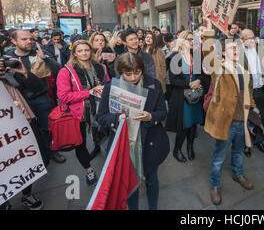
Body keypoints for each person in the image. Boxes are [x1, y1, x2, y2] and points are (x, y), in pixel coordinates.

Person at [96, 53, 169, 210]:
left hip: (150, 142)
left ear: (142, 69)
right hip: (124, 145)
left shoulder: (154, 84)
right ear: (120, 72)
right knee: (128, 183)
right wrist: (117, 118)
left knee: (152, 180)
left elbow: (163, 112)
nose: (133, 77)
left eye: (137, 72)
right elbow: (101, 117)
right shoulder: (111, 87)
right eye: (127, 74)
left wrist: (151, 116)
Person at [202, 29, 258, 206]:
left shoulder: (243, 69)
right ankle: (215, 185)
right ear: (224, 53)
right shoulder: (219, 68)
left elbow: (247, 92)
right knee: (219, 157)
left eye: (238, 48)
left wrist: (253, 107)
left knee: (238, 152)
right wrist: (209, 33)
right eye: (232, 48)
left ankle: (238, 175)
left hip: (242, 122)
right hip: (226, 122)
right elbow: (208, 53)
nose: (236, 51)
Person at [8, 30, 66, 164]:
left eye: (30, 39)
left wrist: (45, 58)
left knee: (47, 127)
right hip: (19, 99)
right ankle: (33, 156)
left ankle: (52, 152)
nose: (29, 41)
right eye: (24, 39)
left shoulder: (39, 52)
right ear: (14, 41)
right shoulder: (8, 57)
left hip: (41, 97)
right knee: (25, 130)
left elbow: (58, 69)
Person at [56, 40, 108, 185]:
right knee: (81, 143)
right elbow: (63, 97)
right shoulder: (65, 71)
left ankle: (109, 162)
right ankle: (89, 170)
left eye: (87, 50)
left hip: (101, 110)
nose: (84, 53)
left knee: (106, 136)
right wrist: (89, 93)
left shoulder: (100, 67)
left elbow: (108, 84)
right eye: (80, 51)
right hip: (78, 114)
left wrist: (105, 89)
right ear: (74, 53)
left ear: (91, 51)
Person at [0, 48, 44, 210]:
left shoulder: (8, 71)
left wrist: (21, 72)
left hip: (21, 120)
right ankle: (5, 200)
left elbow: (38, 86)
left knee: (26, 155)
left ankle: (27, 194)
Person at [166, 31, 205, 163]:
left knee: (193, 124)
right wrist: (189, 84)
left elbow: (203, 75)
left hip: (196, 96)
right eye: (189, 39)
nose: (192, 42)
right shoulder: (175, 57)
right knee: (183, 126)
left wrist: (198, 81)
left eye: (194, 39)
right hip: (182, 97)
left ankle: (190, 148)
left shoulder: (197, 56)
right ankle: (177, 150)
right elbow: (173, 80)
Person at [240, 29, 264, 154]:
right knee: (246, 118)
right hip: (247, 91)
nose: (253, 40)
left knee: (259, 117)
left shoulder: (259, 49)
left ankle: (259, 141)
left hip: (260, 89)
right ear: (242, 40)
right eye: (249, 38)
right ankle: (246, 144)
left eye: (253, 37)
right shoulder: (238, 53)